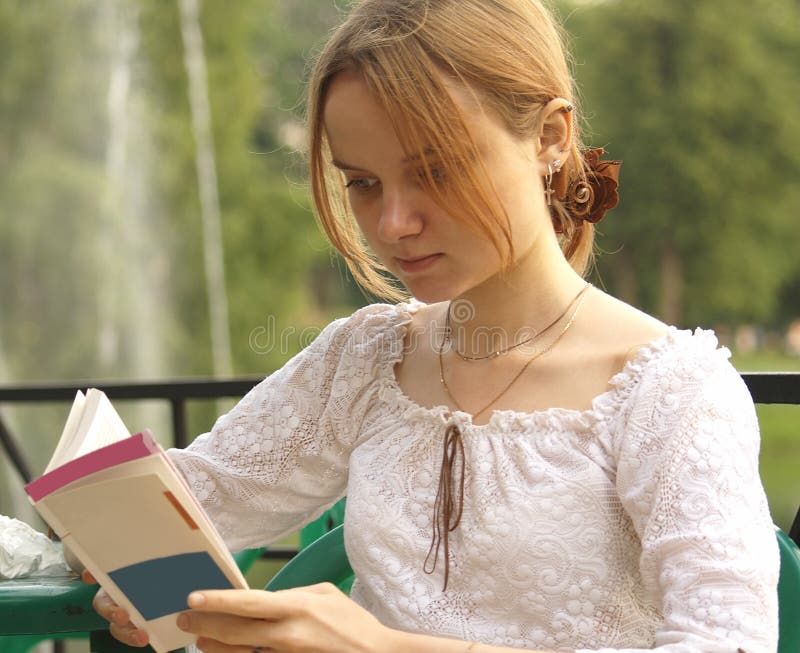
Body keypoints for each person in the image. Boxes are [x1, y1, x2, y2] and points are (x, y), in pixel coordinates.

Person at [91, 0, 780, 651]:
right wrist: (141, 578)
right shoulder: (365, 358)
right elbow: (177, 503)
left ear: (550, 136)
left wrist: (384, 645)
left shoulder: (669, 392)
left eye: (436, 170)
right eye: (362, 182)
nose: (393, 224)